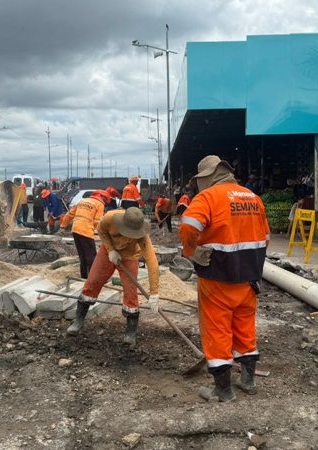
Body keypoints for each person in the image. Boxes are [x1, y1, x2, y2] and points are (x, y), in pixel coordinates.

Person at [179, 155, 270, 402]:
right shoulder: (253, 198)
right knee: (245, 329)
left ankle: (223, 390)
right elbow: (265, 236)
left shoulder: (208, 197)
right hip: (249, 278)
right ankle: (248, 381)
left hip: (217, 277)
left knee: (217, 331)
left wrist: (192, 252)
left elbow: (188, 226)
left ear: (207, 178)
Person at [66, 207, 160, 347]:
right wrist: (111, 250)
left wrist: (154, 293)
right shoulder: (110, 218)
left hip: (129, 257)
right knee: (92, 282)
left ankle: (130, 332)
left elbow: (152, 261)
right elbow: (101, 231)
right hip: (108, 253)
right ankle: (78, 321)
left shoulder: (142, 234)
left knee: (130, 292)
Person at [60, 190, 107, 278]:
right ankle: (94, 278)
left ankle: (84, 276)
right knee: (91, 256)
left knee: (82, 256)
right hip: (86, 231)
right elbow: (98, 221)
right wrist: (100, 233)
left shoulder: (82, 201)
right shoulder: (99, 204)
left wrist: (63, 225)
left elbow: (69, 214)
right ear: (103, 197)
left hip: (75, 229)